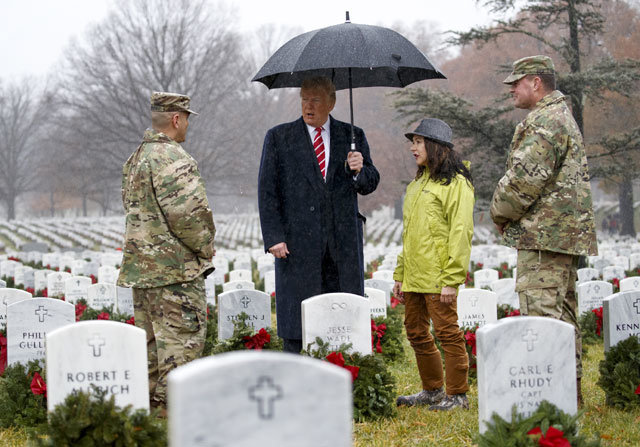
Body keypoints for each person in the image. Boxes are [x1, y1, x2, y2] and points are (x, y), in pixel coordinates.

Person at [490, 56, 597, 404]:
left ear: (536, 83)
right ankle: (571, 395)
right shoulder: (559, 115)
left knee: (542, 318)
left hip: (543, 236)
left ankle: (551, 397)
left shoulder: (546, 121)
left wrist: (499, 211)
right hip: (559, 236)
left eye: (516, 83)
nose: (511, 90)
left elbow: (525, 179)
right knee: (563, 318)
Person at [258, 76, 380, 354]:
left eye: (315, 99)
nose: (308, 106)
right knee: (297, 323)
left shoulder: (352, 136)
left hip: (342, 245)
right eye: (304, 99)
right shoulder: (279, 137)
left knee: (342, 317)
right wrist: (274, 237)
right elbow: (267, 191)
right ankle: (297, 370)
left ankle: (346, 371)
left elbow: (370, 182)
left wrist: (360, 169)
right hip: (297, 246)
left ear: (331, 102)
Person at [117, 92, 216, 411]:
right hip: (175, 276)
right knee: (179, 358)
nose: (187, 124)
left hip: (144, 276)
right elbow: (188, 216)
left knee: (151, 359)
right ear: (176, 119)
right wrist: (206, 247)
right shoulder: (173, 159)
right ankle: (174, 429)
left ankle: (150, 429)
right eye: (186, 118)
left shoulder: (135, 159)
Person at [393, 118, 475, 411]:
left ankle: (458, 395)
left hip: (439, 276)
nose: (413, 148)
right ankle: (432, 390)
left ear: (435, 145)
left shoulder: (457, 183)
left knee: (447, 334)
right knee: (415, 332)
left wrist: (452, 279)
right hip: (414, 275)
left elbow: (461, 231)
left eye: (418, 142)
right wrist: (400, 273)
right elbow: (409, 232)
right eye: (412, 142)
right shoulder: (417, 183)